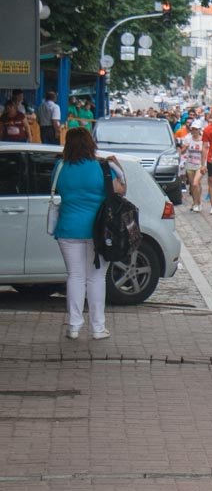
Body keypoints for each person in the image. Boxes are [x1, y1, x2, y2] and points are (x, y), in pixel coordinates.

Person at [53, 128, 126, 340]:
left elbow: (57, 189)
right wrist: (119, 167)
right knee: (96, 278)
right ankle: (97, 328)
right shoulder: (103, 168)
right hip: (99, 231)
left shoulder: (60, 167)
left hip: (67, 228)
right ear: (90, 144)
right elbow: (121, 189)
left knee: (74, 276)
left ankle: (74, 326)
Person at [180, 121, 205, 212]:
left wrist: (204, 165)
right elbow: (182, 152)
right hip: (190, 164)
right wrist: (185, 148)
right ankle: (195, 202)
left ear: (199, 130)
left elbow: (205, 153)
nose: (194, 131)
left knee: (195, 183)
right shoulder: (187, 138)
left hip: (200, 165)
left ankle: (198, 203)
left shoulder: (203, 140)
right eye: (192, 129)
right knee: (193, 185)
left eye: (196, 129)